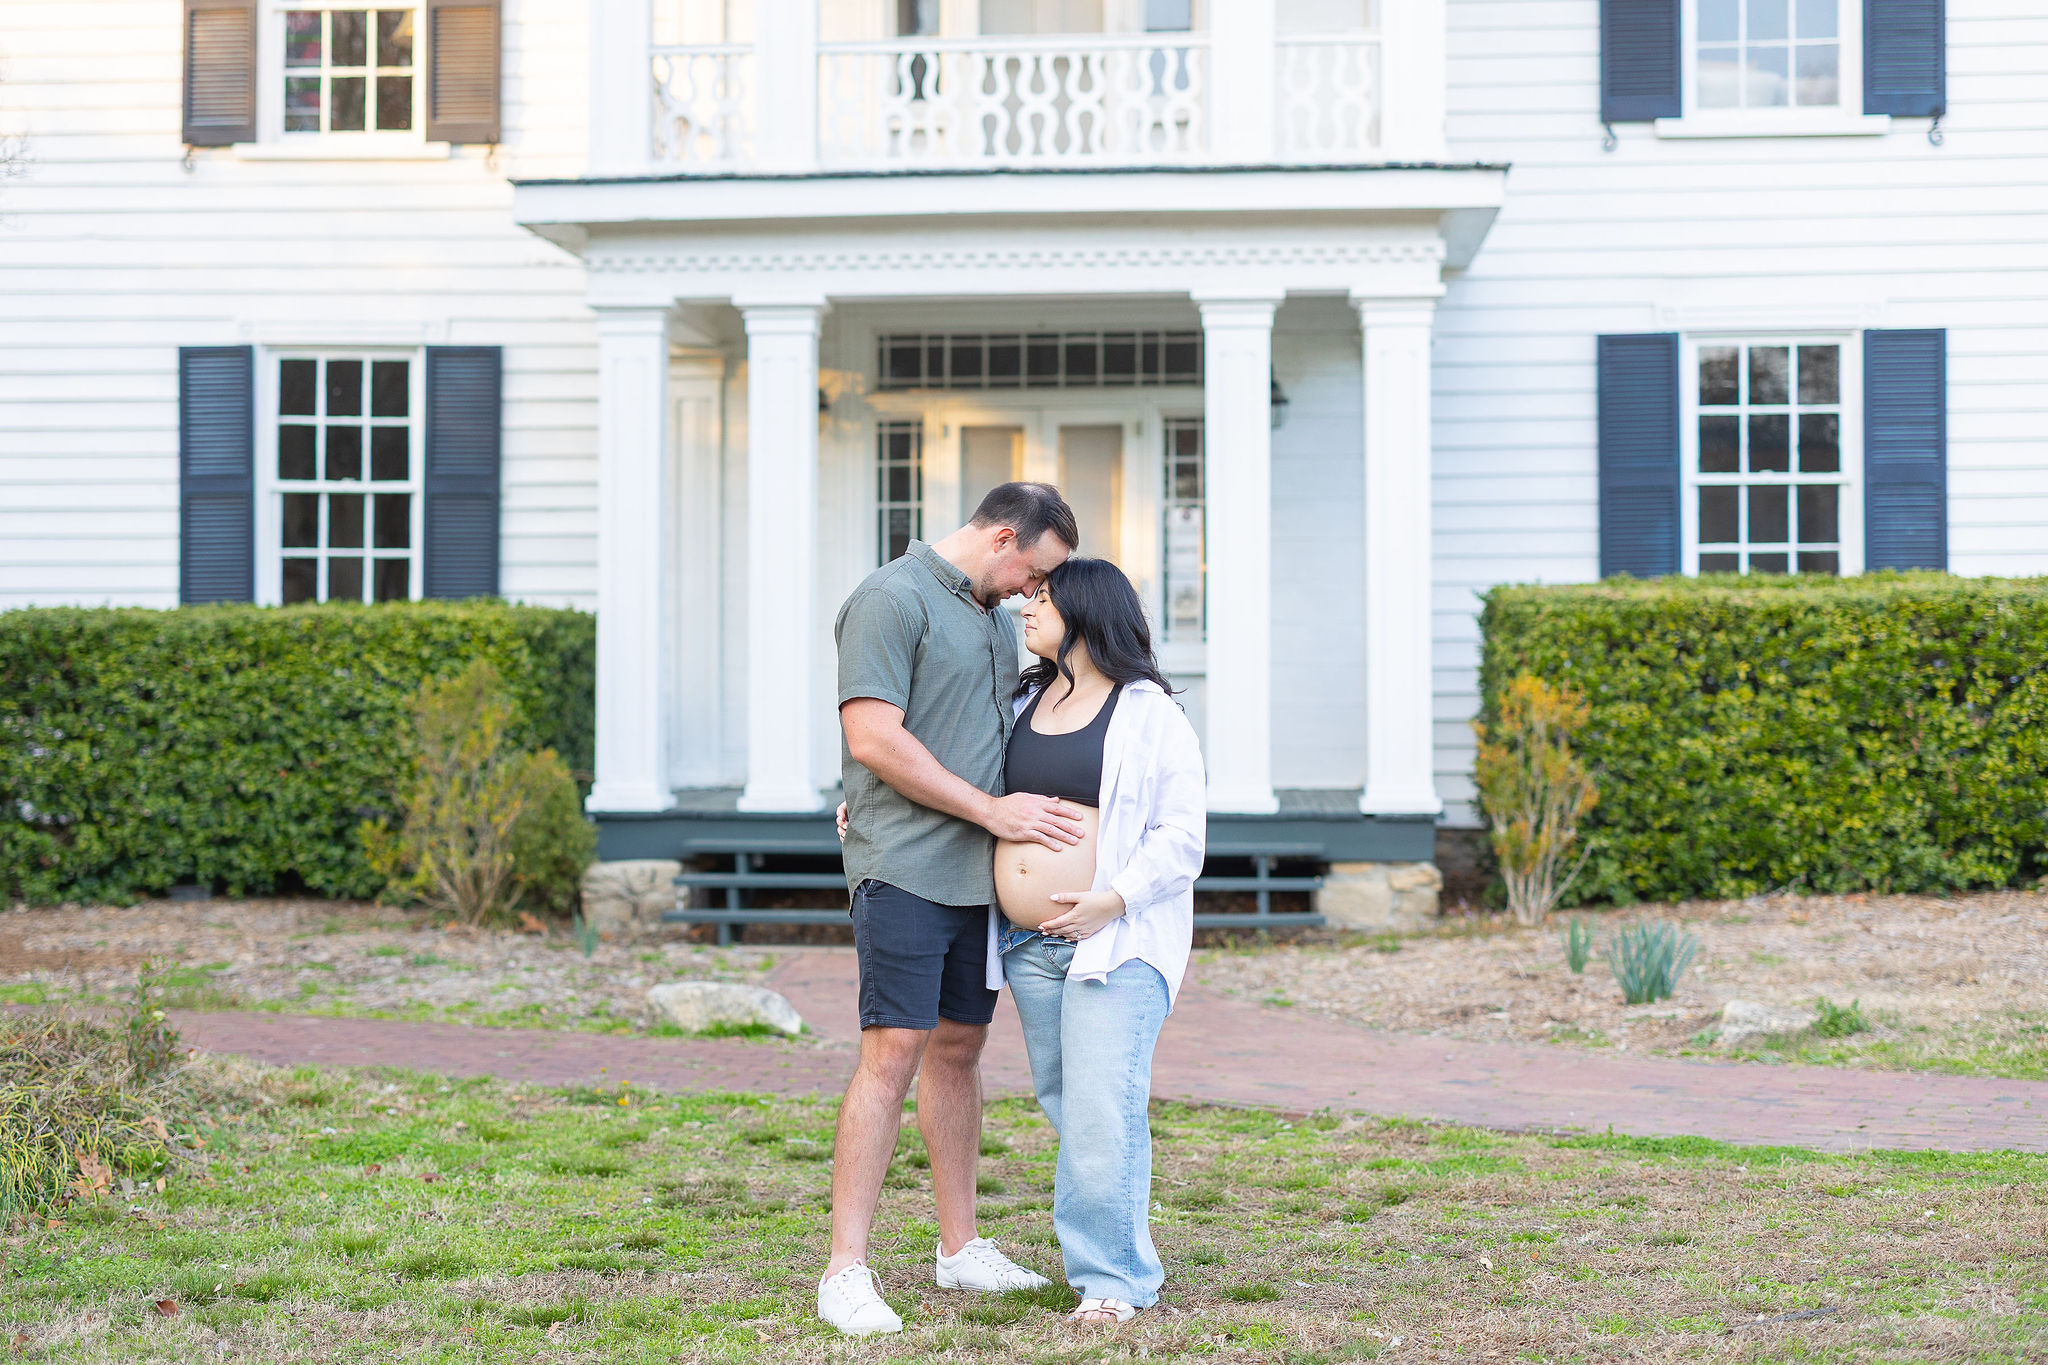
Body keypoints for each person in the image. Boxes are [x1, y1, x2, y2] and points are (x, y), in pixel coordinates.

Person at [818, 481, 1083, 1338]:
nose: (1034, 590)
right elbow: (873, 735)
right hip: (905, 866)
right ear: (1003, 536)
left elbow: (983, 730)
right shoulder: (890, 598)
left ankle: (959, 1247)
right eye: (1034, 570)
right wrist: (987, 809)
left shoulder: (994, 619)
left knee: (960, 1049)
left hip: (982, 875)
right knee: (893, 1050)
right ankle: (844, 1270)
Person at [990, 557, 1206, 1326]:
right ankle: (1113, 1251)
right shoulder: (1024, 698)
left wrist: (1111, 899)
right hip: (1029, 943)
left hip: (1117, 942)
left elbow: (1183, 835)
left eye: (1042, 598)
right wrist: (869, 804)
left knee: (1099, 1112)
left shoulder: (1149, 714)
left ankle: (1114, 1280)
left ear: (1084, 611)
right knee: (1075, 1104)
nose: (1026, 608)